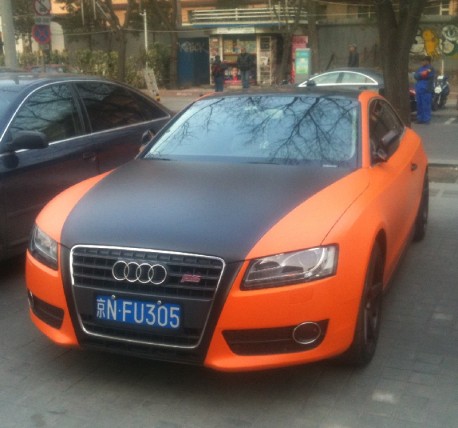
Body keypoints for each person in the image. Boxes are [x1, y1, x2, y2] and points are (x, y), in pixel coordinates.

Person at [414, 55, 435, 124]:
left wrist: (421, 75)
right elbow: (416, 76)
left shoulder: (431, 68)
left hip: (426, 89)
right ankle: (420, 119)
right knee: (419, 105)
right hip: (419, 89)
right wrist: (422, 75)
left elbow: (425, 75)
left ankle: (426, 119)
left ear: (428, 61)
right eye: (422, 61)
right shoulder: (420, 68)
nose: (422, 62)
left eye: (424, 61)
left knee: (426, 105)